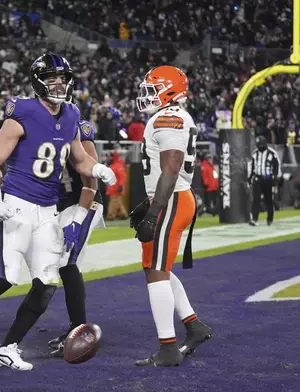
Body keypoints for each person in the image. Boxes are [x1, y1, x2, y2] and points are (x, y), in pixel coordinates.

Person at [0, 53, 116, 371]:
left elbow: (78, 158)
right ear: (38, 81)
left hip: (48, 209)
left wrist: (98, 168)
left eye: (63, 79)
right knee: (5, 277)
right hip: (17, 202)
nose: (59, 84)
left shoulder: (72, 113)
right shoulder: (22, 110)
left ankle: (7, 347)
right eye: (52, 78)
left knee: (48, 281)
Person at [132, 65, 212, 367]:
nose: (146, 95)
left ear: (169, 90)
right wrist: (152, 203)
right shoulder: (171, 116)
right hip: (171, 199)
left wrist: (154, 212)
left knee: (155, 271)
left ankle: (168, 348)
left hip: (173, 200)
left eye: (152, 89)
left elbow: (171, 167)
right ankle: (193, 326)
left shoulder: (169, 117)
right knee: (158, 268)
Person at [47, 119, 105, 358]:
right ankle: (77, 326)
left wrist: (79, 217)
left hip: (84, 204)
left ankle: (79, 329)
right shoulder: (39, 127)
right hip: (60, 208)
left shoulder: (79, 128)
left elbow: (90, 178)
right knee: (62, 266)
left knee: (68, 263)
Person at [248, 136, 281, 226]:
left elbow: (276, 165)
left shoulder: (272, 153)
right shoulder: (255, 154)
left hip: (268, 179)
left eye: (262, 144)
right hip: (257, 179)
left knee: (268, 200)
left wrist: (275, 177)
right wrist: (249, 179)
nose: (261, 146)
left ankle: (270, 218)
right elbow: (251, 167)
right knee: (256, 199)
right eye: (259, 144)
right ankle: (254, 219)